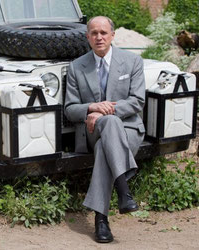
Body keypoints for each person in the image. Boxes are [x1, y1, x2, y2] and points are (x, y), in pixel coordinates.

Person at [64, 16, 146, 243]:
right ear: (87, 37)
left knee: (104, 146)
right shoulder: (77, 66)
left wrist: (104, 111)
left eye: (103, 32)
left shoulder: (132, 61)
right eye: (94, 33)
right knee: (106, 129)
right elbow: (70, 109)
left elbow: (137, 101)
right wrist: (91, 107)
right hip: (92, 132)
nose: (99, 37)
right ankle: (123, 190)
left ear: (112, 35)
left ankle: (102, 220)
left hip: (128, 129)